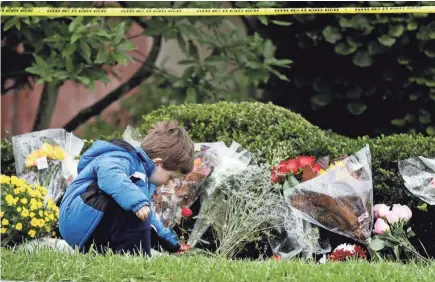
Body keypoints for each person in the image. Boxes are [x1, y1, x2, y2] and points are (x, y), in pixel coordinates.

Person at [59, 121, 194, 256]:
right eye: (170, 177)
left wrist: (172, 245)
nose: (168, 183)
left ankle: (130, 257)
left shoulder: (142, 180)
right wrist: (138, 203)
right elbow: (110, 175)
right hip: (78, 219)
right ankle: (136, 260)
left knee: (141, 213)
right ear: (158, 164)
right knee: (134, 210)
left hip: (90, 222)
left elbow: (150, 220)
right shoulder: (123, 158)